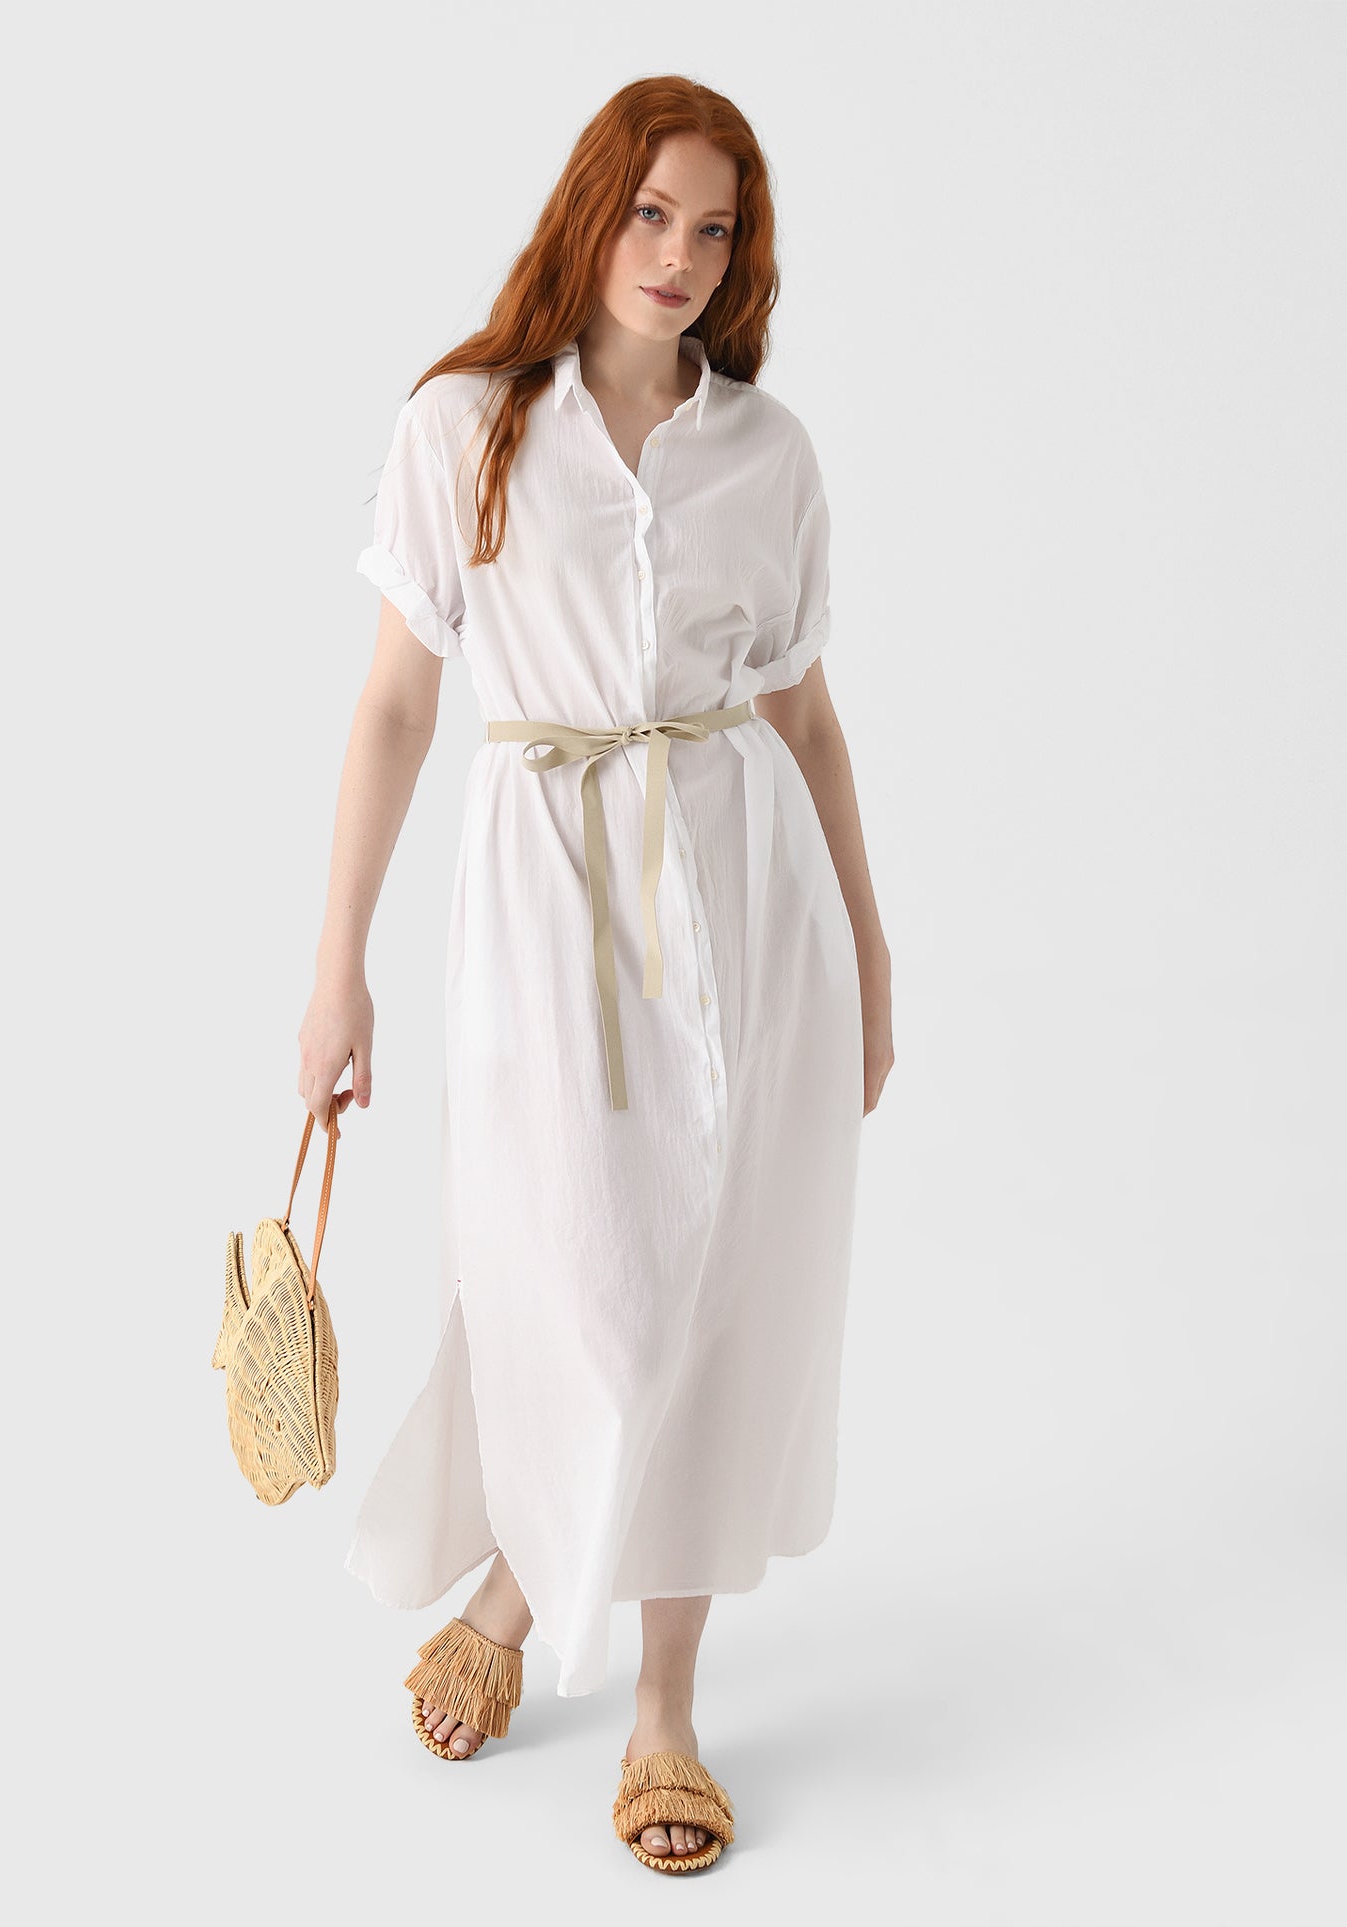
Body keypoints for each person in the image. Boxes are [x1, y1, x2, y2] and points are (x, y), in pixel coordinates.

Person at [298, 75, 893, 1873]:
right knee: (573, 1274)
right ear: (590, 208)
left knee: (715, 1291)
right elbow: (395, 710)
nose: (678, 257)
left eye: (713, 229)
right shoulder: (468, 424)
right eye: (650, 213)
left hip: (745, 900)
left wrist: (869, 953)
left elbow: (804, 718)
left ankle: (662, 1708)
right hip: (544, 901)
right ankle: (512, 1573)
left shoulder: (767, 455)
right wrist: (336, 969)